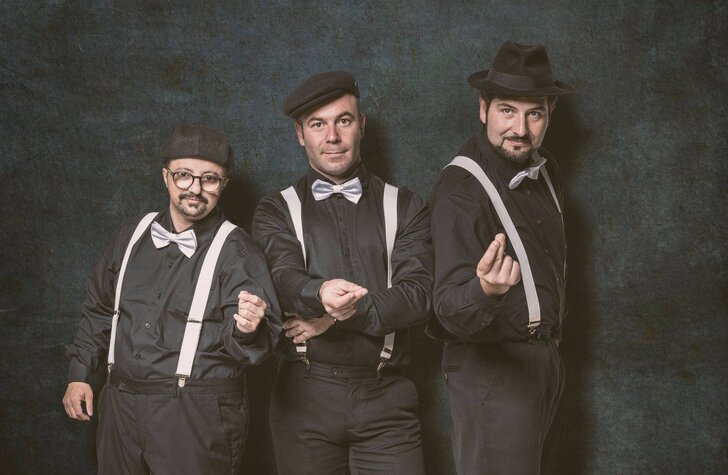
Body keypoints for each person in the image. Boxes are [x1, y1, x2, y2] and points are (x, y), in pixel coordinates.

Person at [62, 124, 282, 475]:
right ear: (165, 176)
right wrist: (80, 374)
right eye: (184, 175)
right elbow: (99, 309)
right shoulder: (130, 234)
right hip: (119, 404)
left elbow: (258, 345)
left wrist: (248, 328)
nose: (195, 188)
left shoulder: (238, 250)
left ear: (223, 185)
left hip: (194, 412)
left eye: (209, 179)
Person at [250, 71, 432, 474]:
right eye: (318, 124)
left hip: (387, 394)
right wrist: (320, 294)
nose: (332, 136)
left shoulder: (405, 205)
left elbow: (418, 295)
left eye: (343, 121)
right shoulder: (276, 209)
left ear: (361, 125)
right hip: (304, 397)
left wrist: (336, 317)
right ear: (300, 134)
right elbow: (281, 279)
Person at [428, 42, 574, 474]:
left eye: (534, 114)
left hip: (543, 364)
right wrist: (486, 291)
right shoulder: (461, 189)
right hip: (491, 372)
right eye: (507, 111)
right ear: (483, 109)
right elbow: (446, 309)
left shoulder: (546, 171)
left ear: (550, 114)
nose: (520, 129)